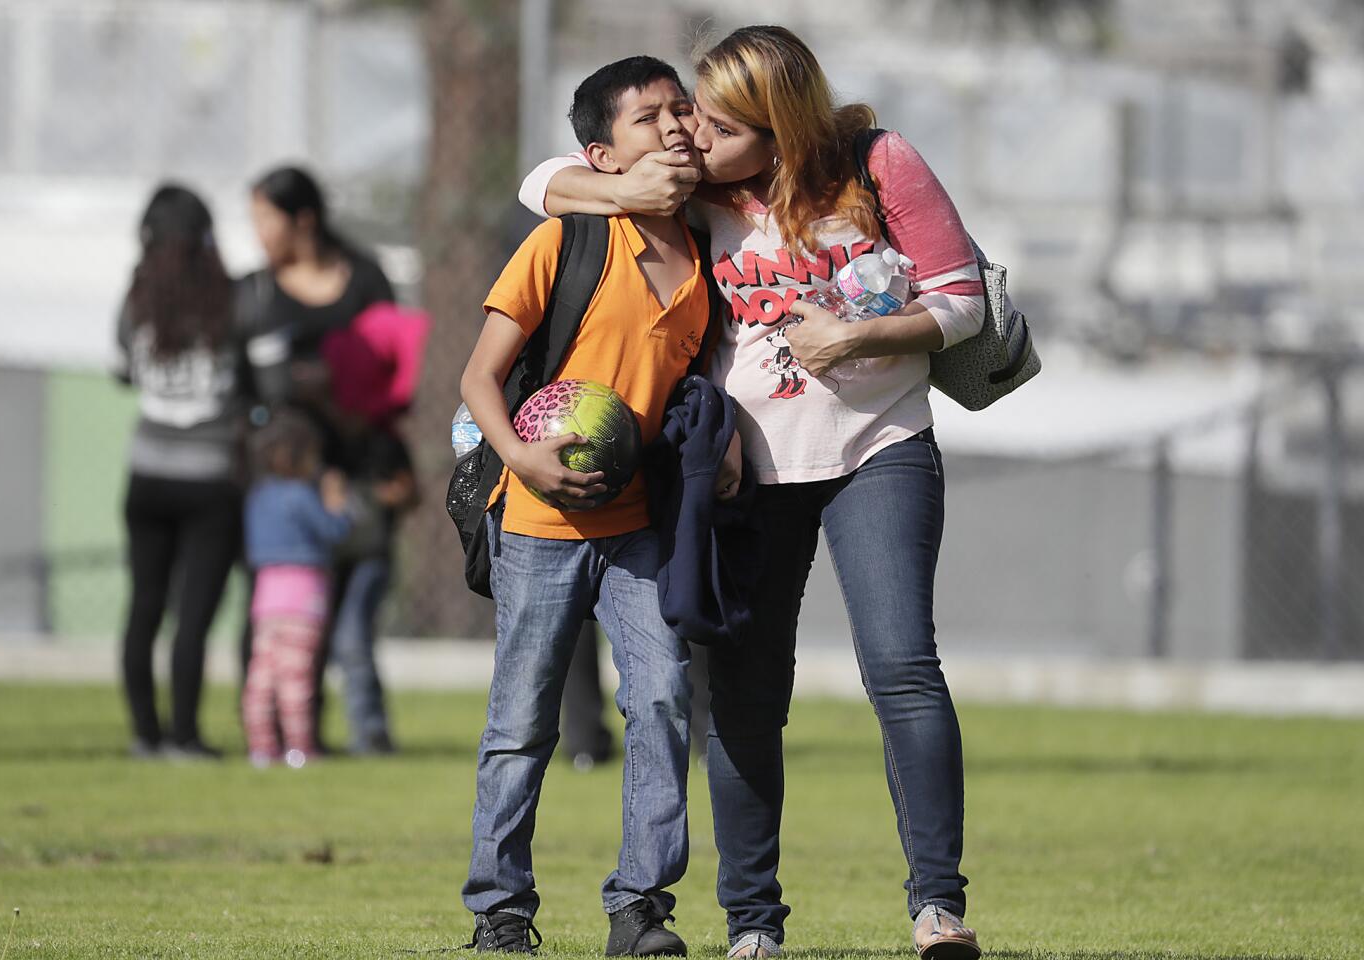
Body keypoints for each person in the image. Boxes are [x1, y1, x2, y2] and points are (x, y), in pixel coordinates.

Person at [520, 25, 987, 960]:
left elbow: (962, 300)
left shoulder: (879, 163)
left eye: (719, 122)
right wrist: (623, 188)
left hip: (878, 448)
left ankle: (938, 908)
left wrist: (857, 339)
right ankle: (753, 924)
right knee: (745, 693)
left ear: (778, 129)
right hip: (753, 470)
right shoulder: (699, 186)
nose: (693, 132)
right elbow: (538, 185)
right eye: (693, 112)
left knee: (902, 670)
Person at [459, 56, 719, 957]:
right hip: (537, 527)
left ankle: (641, 907)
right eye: (650, 118)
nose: (676, 125)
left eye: (683, 109)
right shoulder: (563, 242)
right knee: (522, 722)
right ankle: (500, 911)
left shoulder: (708, 249)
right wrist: (522, 456)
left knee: (662, 698)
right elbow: (479, 375)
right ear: (602, 156)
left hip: (638, 526)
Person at [240, 166, 415, 755]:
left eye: (266, 217)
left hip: (363, 470)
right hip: (291, 482)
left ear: (303, 218)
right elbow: (241, 391)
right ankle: (290, 731)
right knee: (284, 614)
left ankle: (368, 733)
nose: (258, 232)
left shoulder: (365, 278)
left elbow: (395, 367)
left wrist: (341, 398)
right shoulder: (254, 294)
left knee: (353, 622)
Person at [115, 184, 245, 761]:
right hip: (211, 477)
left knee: (144, 605)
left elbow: (124, 370)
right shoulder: (231, 301)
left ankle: (146, 734)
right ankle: (185, 737)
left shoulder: (136, 301)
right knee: (194, 613)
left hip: (147, 472)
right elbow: (250, 382)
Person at [242, 411, 353, 768]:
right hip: (303, 598)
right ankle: (299, 748)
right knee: (297, 679)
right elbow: (335, 531)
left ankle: (261, 747)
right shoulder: (301, 496)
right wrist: (337, 503)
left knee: (261, 678)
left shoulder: (258, 497)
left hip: (266, 598)